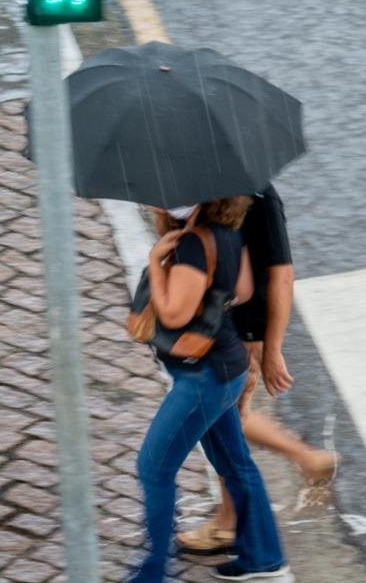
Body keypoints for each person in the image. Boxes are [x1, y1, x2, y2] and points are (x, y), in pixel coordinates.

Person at [175, 185, 338, 558]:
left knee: (223, 421)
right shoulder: (202, 183)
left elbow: (282, 276)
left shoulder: (259, 196)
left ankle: (230, 524)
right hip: (217, 325)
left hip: (243, 330)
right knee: (223, 418)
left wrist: (271, 348)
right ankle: (305, 460)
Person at [130, 198, 288, 581]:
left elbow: (173, 314)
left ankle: (152, 574)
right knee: (235, 463)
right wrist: (212, 298)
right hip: (226, 368)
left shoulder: (192, 245)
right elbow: (245, 289)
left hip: (204, 378)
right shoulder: (226, 233)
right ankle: (264, 557)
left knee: (153, 468)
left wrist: (156, 261)